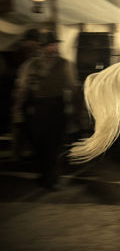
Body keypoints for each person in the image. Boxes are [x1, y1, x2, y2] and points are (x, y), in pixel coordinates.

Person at [11, 31, 79, 190]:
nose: (54, 48)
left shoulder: (65, 64)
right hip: (36, 110)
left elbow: (73, 88)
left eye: (55, 45)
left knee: (55, 144)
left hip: (57, 107)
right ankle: (45, 174)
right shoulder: (30, 65)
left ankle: (51, 178)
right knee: (39, 144)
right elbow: (22, 89)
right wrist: (16, 109)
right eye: (50, 46)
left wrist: (77, 110)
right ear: (42, 48)